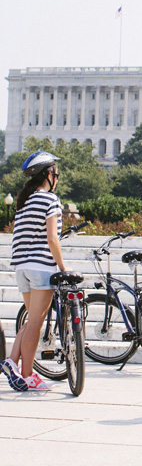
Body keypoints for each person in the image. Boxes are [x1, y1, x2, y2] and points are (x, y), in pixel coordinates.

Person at [1, 152, 67, 392]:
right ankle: (28, 375)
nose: (57, 178)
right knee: (35, 322)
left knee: (31, 320)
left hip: (21, 266)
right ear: (48, 175)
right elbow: (52, 238)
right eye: (56, 173)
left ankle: (11, 361)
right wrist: (62, 266)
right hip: (41, 267)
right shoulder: (50, 201)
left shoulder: (23, 201)